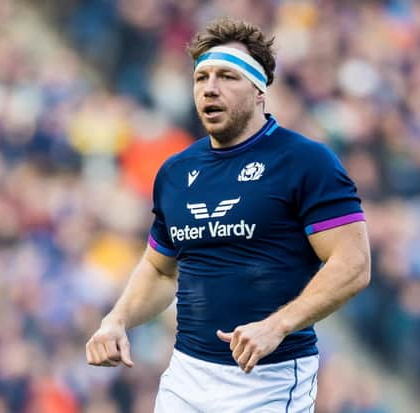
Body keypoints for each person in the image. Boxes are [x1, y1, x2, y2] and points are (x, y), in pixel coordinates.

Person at [85, 17, 371, 412]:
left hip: (267, 381)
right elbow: (159, 269)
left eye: (227, 76)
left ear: (259, 91)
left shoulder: (306, 161)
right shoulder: (175, 171)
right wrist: (116, 320)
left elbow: (354, 263)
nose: (210, 88)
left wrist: (277, 326)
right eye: (201, 78)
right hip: (186, 377)